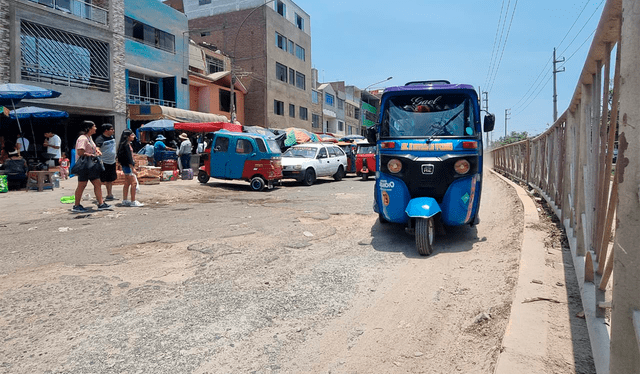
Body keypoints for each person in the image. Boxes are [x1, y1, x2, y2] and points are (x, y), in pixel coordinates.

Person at [72, 121, 112, 213]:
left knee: (97, 183)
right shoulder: (83, 138)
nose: (96, 128)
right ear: (88, 128)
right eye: (94, 126)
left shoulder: (89, 138)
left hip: (91, 166)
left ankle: (101, 204)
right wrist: (92, 155)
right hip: (85, 166)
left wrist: (96, 151)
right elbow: (80, 152)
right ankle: (76, 205)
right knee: (82, 185)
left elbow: (92, 148)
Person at [117, 129, 143, 207]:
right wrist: (133, 168)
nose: (134, 136)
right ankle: (133, 201)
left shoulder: (124, 144)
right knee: (133, 183)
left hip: (125, 166)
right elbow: (128, 158)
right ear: (128, 136)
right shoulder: (126, 145)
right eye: (132, 135)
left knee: (127, 183)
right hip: (128, 166)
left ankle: (125, 200)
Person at [95, 123, 117, 201]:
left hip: (112, 161)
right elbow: (97, 148)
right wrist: (98, 151)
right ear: (106, 130)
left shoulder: (112, 137)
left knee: (110, 179)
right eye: (111, 129)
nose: (113, 131)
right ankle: (99, 196)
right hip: (104, 162)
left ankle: (109, 194)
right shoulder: (100, 139)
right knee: (101, 180)